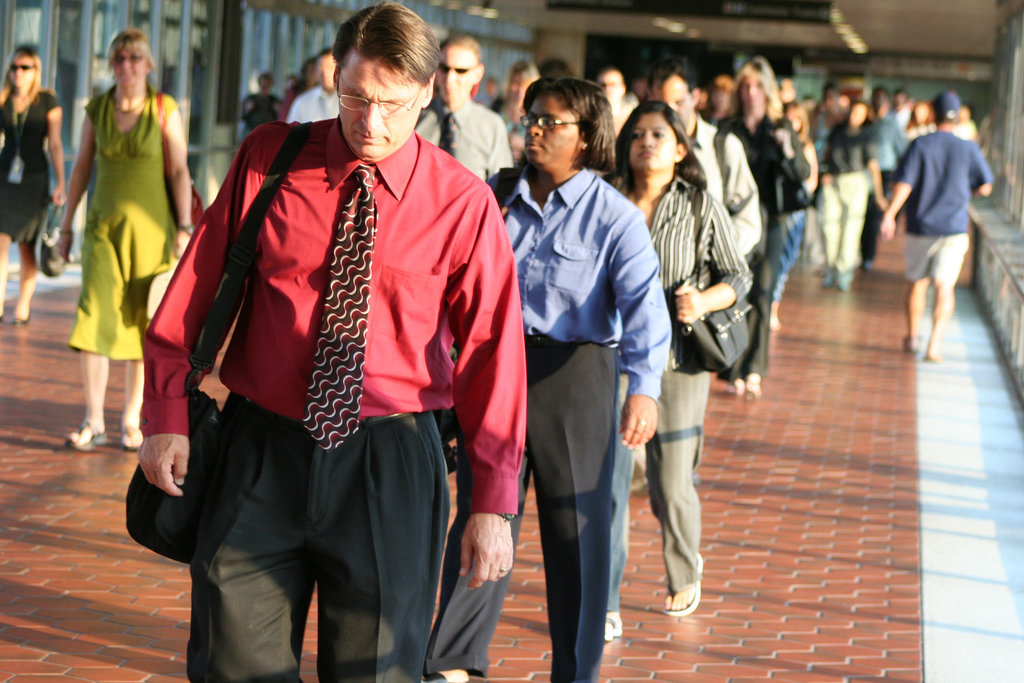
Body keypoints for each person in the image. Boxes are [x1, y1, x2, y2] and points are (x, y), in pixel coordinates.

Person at [139, 4, 527, 680]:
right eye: (355, 98)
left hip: (391, 462)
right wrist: (167, 416)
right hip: (260, 452)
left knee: (377, 671)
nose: (370, 123)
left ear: (428, 91)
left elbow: (494, 354)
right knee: (230, 663)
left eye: (392, 105)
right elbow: (191, 294)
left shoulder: (462, 202)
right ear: (335, 78)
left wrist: (492, 501)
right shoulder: (270, 159)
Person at [423, 77, 671, 683]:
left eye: (550, 122)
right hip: (493, 371)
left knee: (575, 532)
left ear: (585, 139)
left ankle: (576, 669)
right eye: (530, 117)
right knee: (484, 513)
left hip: (575, 378)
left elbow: (644, 307)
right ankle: (452, 660)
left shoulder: (615, 218)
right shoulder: (494, 197)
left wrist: (643, 387)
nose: (533, 129)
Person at [608, 100, 750, 628]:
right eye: (638, 134)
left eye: (659, 135)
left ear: (680, 149)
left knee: (672, 483)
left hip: (678, 361)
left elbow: (739, 277)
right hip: (615, 359)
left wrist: (704, 300)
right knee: (618, 477)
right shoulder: (607, 199)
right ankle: (607, 598)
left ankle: (684, 571)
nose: (647, 143)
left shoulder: (698, 206)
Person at [57, 28, 193, 452]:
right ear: (111, 64)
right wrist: (65, 227)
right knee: (94, 315)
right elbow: (80, 169)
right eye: (119, 58)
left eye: (135, 58)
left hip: (152, 236)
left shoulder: (163, 108)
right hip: (102, 230)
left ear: (148, 64)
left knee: (141, 324)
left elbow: (178, 171)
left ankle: (131, 419)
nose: (127, 66)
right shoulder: (96, 108)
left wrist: (185, 228)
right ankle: (93, 419)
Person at [718, 56, 810, 399]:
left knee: (764, 290)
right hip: (737, 221)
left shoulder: (781, 127)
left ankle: (754, 367)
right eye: (745, 86)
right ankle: (733, 366)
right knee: (734, 290)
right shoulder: (729, 128)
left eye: (757, 86)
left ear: (767, 91)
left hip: (772, 219)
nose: (750, 92)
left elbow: (801, 173)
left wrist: (786, 148)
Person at [880, 90, 993, 363]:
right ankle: (934, 344)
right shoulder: (968, 147)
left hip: (920, 225)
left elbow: (904, 183)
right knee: (945, 286)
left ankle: (912, 336)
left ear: (933, 113)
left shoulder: (921, 144)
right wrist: (966, 192)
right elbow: (986, 186)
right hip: (954, 227)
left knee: (917, 283)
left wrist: (891, 214)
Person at [645, 57, 762, 260]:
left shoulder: (723, 146)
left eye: (679, 102)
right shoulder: (642, 148)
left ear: (696, 97)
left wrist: (716, 256)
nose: (670, 112)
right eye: (661, 104)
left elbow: (748, 219)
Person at [0, 45, 65, 325]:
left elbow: (55, 144)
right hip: (5, 179)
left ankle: (23, 306)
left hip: (35, 180)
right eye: (14, 67)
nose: (18, 72)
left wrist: (61, 182)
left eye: (25, 67)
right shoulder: (3, 100)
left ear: (35, 71)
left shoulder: (47, 101)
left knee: (27, 246)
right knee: (0, 242)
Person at [415, 33, 512, 181]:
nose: (450, 79)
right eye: (444, 68)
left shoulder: (491, 126)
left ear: (478, 74)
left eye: (461, 71)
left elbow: (501, 186)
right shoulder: (414, 117)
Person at [819, 99, 887, 292]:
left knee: (851, 229)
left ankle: (844, 273)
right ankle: (830, 267)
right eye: (853, 111)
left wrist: (879, 194)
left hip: (856, 182)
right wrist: (824, 172)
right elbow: (826, 153)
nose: (855, 115)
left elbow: (873, 166)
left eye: (860, 112)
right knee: (829, 226)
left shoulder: (867, 136)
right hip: (833, 180)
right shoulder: (837, 131)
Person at [771, 100, 819, 330]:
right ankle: (771, 306)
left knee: (785, 259)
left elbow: (811, 177)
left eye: (796, 120)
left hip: (795, 210)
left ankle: (774, 305)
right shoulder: (773, 142)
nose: (791, 124)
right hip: (777, 209)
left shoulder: (804, 146)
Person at [860, 87, 907, 272]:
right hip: (862, 174)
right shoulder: (867, 123)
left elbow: (902, 150)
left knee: (872, 216)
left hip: (884, 172)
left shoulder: (892, 125)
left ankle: (868, 256)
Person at [492, 59, 539, 164]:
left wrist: (524, 145)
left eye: (525, 84)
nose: (519, 90)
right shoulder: (497, 107)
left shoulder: (537, 113)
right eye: (516, 83)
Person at [286, 47, 338, 122]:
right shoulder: (302, 102)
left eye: (329, 67)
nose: (325, 73)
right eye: (321, 68)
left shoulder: (348, 102)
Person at [596, 65, 637, 134]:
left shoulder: (633, 118)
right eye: (603, 85)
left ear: (623, 88)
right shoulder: (591, 117)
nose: (607, 89)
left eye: (612, 84)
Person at [239, 71, 281, 138]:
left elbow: (280, 118)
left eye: (267, 84)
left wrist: (278, 111)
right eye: (263, 84)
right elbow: (242, 117)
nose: (265, 86)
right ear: (259, 84)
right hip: (252, 131)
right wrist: (248, 110)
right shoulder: (251, 99)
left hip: (268, 133)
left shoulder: (274, 100)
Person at [278, 55, 317, 121]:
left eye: (313, 70)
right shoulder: (294, 90)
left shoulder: (321, 92)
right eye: (308, 70)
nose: (310, 74)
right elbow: (285, 112)